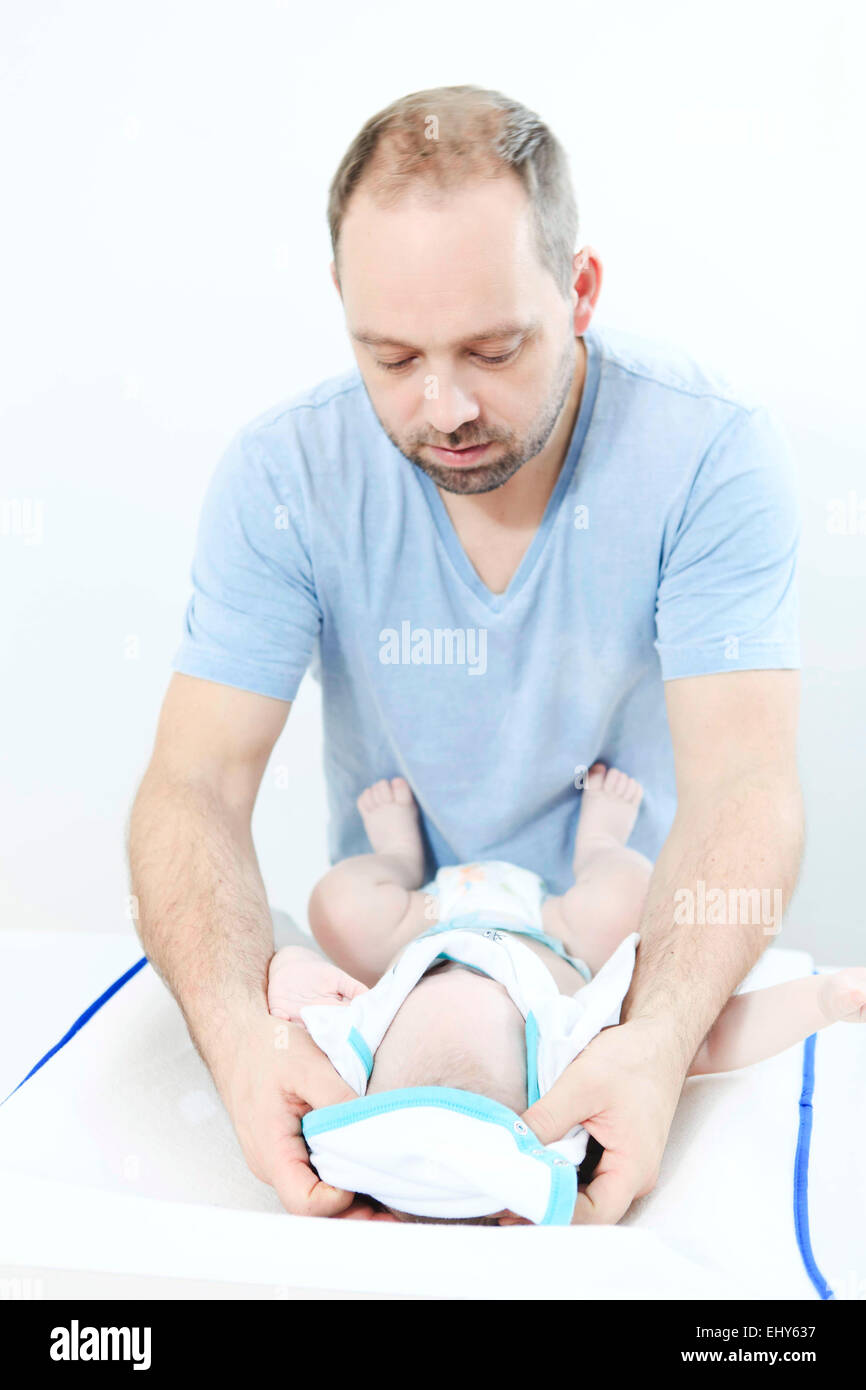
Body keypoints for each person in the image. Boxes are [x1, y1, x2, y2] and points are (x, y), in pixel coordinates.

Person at [127, 85, 804, 1223]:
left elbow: (746, 784)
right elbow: (192, 785)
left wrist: (655, 1038)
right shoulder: (286, 478)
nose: (443, 407)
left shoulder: (705, 457)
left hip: (619, 985)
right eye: (389, 358)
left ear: (578, 292)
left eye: (492, 349)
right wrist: (240, 1040)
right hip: (395, 986)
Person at [266, 768, 863, 1225]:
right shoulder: (564, 1066)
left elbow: (295, 1003)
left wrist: (293, 974)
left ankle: (398, 855)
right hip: (559, 928)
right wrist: (822, 1002)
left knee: (337, 908)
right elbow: (702, 1038)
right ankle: (598, 842)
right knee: (627, 900)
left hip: (422, 920)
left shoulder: (354, 1069)